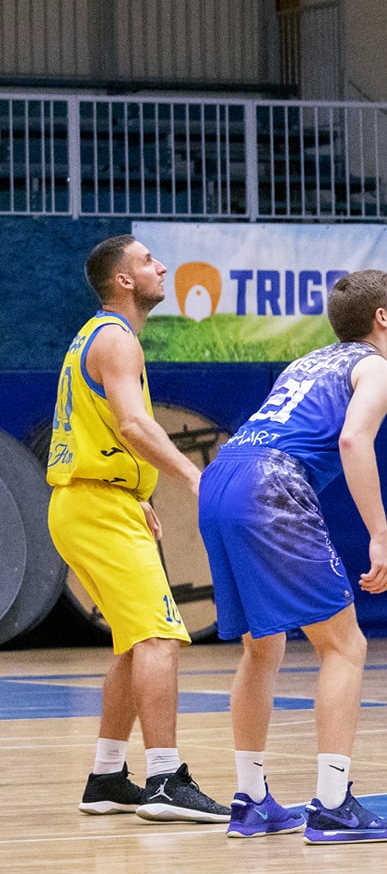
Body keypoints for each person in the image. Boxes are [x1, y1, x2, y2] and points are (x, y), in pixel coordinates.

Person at [197, 271, 387, 843]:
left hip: (220, 476)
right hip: (269, 482)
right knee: (344, 645)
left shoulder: (307, 362)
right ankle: (334, 805)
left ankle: (251, 800)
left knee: (261, 647)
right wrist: (379, 536)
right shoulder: (379, 370)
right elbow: (352, 439)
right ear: (381, 318)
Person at [48, 235, 229, 824]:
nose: (162, 266)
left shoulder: (97, 336)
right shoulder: (116, 339)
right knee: (158, 638)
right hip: (96, 505)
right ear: (123, 280)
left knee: (135, 640)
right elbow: (132, 424)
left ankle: (106, 776)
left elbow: (106, 427)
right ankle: (165, 779)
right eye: (149, 261)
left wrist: (136, 491)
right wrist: (194, 476)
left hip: (95, 501)